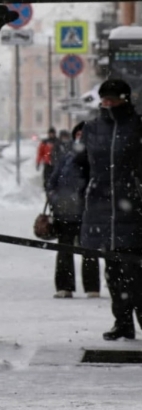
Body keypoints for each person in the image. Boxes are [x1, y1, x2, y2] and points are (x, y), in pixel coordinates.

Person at [78, 78, 142, 340]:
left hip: (134, 210)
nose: (107, 103)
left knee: (135, 272)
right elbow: (79, 164)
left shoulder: (137, 127)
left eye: (113, 98)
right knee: (113, 272)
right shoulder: (91, 129)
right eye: (104, 98)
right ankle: (123, 322)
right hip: (102, 210)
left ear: (125, 99)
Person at [46, 121, 100, 299]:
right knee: (64, 249)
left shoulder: (96, 157)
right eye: (77, 134)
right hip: (65, 211)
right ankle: (64, 287)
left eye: (83, 134)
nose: (80, 137)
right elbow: (53, 180)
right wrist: (54, 197)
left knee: (89, 250)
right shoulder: (66, 157)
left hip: (87, 212)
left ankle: (92, 287)